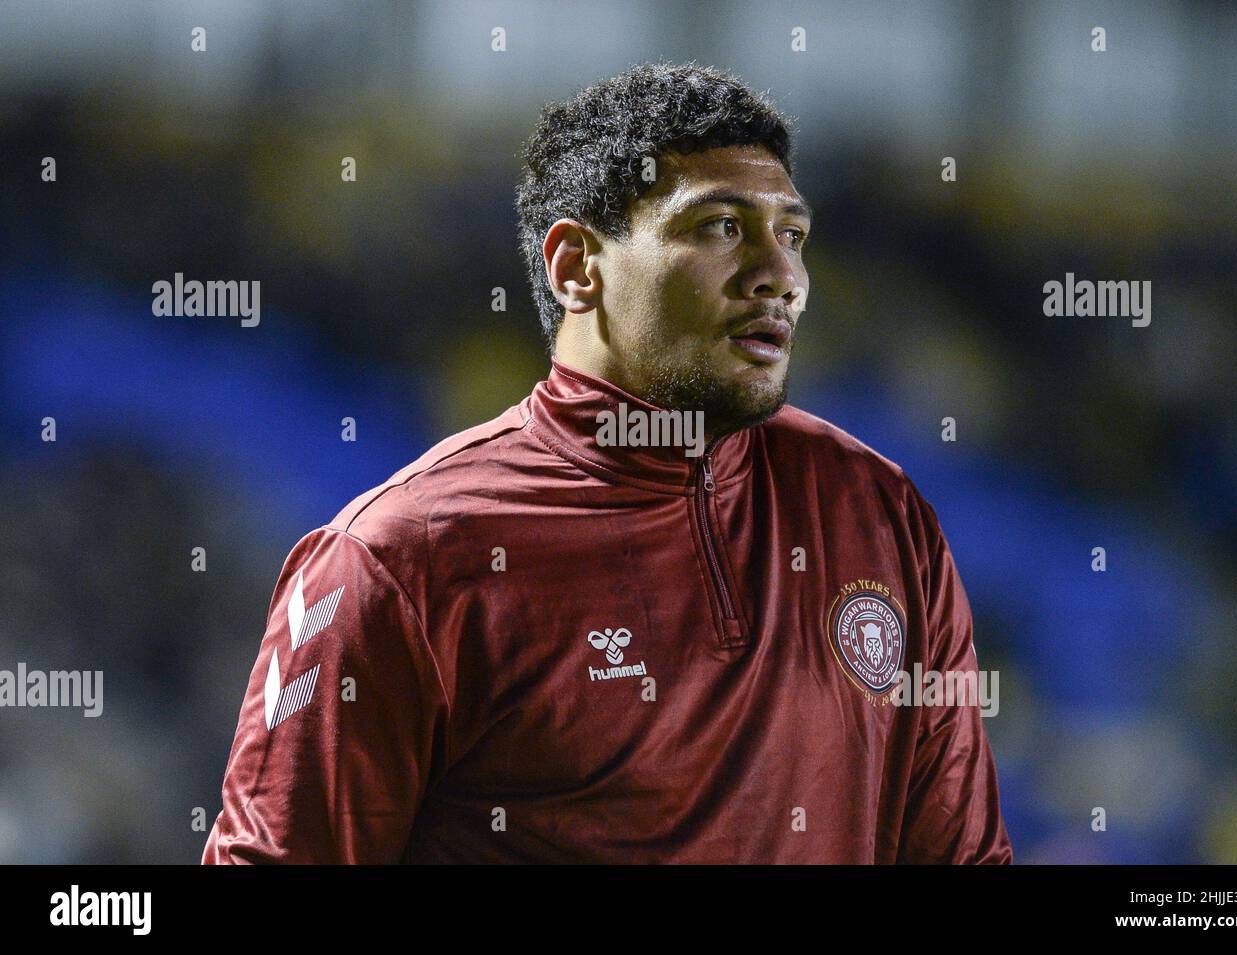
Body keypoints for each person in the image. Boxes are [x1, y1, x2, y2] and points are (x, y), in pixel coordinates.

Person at [203, 60, 1012, 864]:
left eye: (791, 234)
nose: (783, 277)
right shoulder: (396, 560)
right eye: (721, 227)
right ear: (576, 267)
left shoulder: (880, 513)